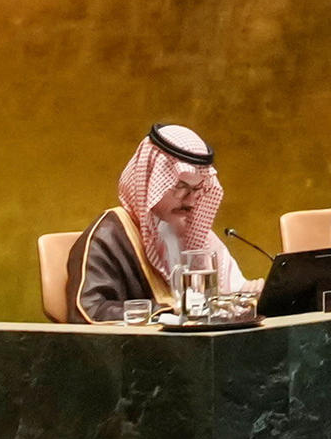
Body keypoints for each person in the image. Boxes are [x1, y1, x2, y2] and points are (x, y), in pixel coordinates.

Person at [76, 122, 241, 316]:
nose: (190, 201)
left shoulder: (197, 234)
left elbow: (227, 291)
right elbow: (91, 310)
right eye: (180, 187)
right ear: (151, 180)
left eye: (197, 190)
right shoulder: (109, 236)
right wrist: (164, 311)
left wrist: (246, 294)